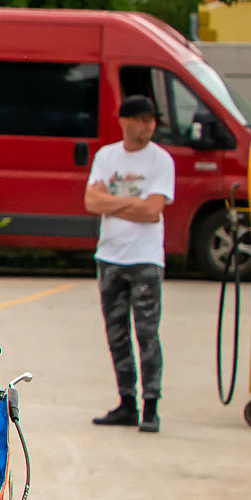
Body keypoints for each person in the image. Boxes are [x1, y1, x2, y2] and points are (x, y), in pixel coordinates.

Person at [85, 92, 171, 433]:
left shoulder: (160, 160)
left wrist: (112, 201)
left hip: (145, 259)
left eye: (152, 121)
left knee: (147, 332)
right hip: (110, 257)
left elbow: (153, 210)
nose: (149, 127)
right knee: (117, 334)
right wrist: (130, 202)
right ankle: (127, 402)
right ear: (125, 121)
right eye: (143, 120)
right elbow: (91, 202)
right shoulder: (107, 156)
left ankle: (151, 404)